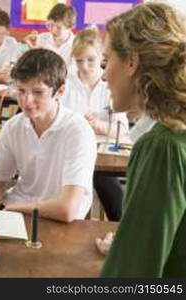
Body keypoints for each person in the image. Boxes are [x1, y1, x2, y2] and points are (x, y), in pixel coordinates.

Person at [99, 3, 186, 276]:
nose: (103, 74)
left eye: (106, 61)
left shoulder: (162, 147)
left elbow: (134, 275)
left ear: (132, 62)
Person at [0, 48, 97, 222]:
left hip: (60, 219)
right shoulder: (14, 126)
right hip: (20, 210)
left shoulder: (78, 131)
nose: (27, 101)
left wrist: (14, 208)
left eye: (38, 92)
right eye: (21, 91)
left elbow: (68, 209)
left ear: (60, 91)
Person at [61, 27, 129, 221]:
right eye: (79, 60)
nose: (84, 66)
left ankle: (119, 234)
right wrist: (76, 124)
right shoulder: (66, 85)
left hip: (101, 156)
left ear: (102, 57)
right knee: (67, 203)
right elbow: (56, 121)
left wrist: (100, 125)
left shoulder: (111, 84)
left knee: (115, 202)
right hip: (71, 153)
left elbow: (122, 130)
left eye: (90, 59)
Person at [24, 3, 76, 74]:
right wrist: (33, 51)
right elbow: (37, 68)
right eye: (50, 25)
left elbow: (71, 73)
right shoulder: (42, 38)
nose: (53, 30)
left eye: (58, 27)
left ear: (70, 27)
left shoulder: (77, 44)